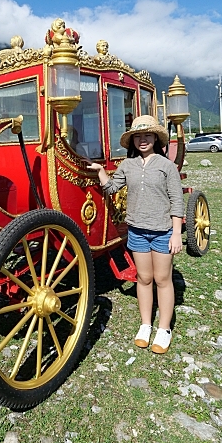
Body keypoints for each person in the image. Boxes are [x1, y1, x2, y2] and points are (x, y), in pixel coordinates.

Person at [88, 115, 184, 354]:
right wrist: (101, 171)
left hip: (162, 231)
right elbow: (112, 188)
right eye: (138, 136)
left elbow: (177, 201)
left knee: (163, 279)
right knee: (143, 278)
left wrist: (176, 233)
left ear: (155, 138)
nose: (143, 140)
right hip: (137, 231)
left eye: (147, 135)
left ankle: (164, 329)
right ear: (132, 140)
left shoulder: (166, 166)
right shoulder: (127, 165)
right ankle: (145, 325)